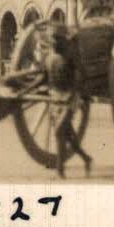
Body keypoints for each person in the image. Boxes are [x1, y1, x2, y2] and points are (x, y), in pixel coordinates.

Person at [39, 23, 92, 178]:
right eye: (52, 38)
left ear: (63, 40)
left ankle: (60, 170)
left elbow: (82, 76)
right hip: (55, 100)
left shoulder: (71, 56)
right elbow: (43, 78)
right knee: (68, 135)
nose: (54, 41)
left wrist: (74, 94)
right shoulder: (49, 58)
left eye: (57, 38)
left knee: (59, 131)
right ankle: (86, 158)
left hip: (70, 99)